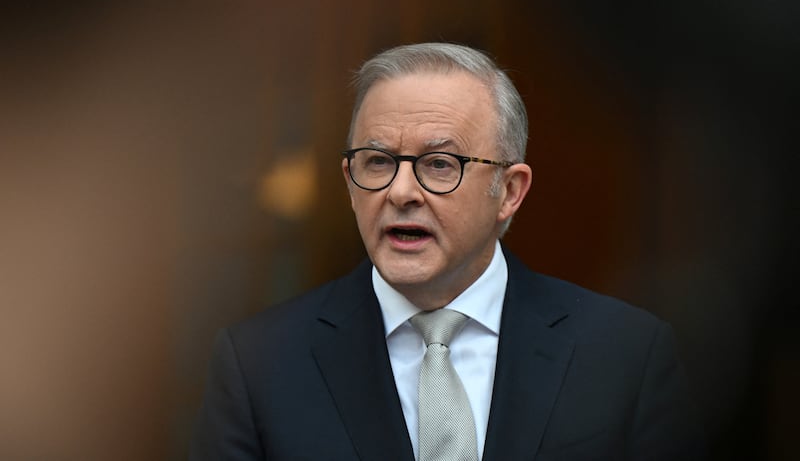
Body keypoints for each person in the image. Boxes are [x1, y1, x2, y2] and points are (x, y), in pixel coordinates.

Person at [189, 43, 705, 460]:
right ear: (349, 182)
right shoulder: (258, 365)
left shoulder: (625, 355)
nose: (401, 192)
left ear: (509, 191)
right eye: (377, 162)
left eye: (439, 164)